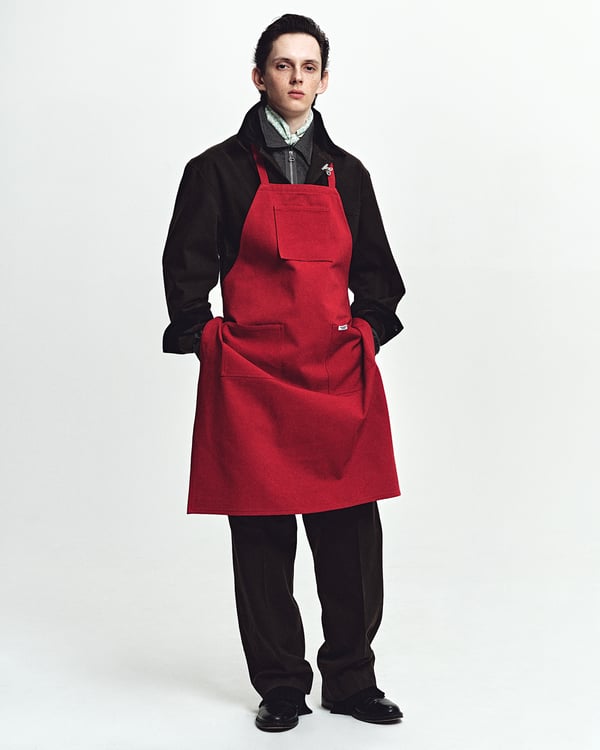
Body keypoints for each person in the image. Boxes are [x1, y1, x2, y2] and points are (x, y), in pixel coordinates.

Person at [162, 13, 406, 733]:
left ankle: (352, 682)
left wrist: (362, 336)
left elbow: (379, 280)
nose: (296, 78)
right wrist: (211, 342)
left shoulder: (349, 175)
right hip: (252, 382)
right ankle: (280, 687)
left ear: (323, 81)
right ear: (258, 76)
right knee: (262, 541)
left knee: (351, 539)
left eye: (308, 67)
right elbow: (185, 273)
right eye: (282, 65)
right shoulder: (214, 171)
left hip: (335, 375)